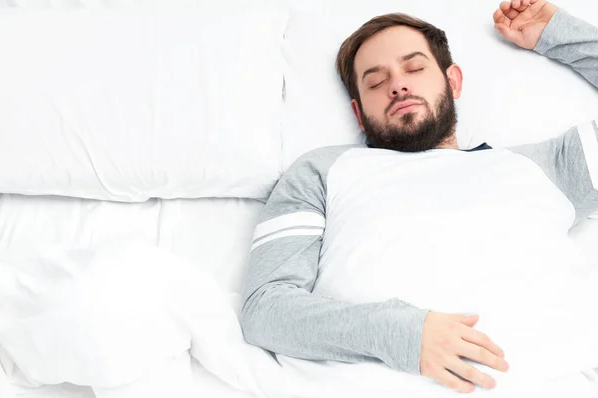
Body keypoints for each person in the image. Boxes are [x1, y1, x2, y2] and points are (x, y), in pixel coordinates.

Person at [239, 0, 598, 393]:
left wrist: (559, 34)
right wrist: (402, 334)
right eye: (376, 82)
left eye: (414, 68)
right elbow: (265, 309)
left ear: (453, 81)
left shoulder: (548, 168)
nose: (397, 85)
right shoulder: (322, 171)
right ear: (359, 114)